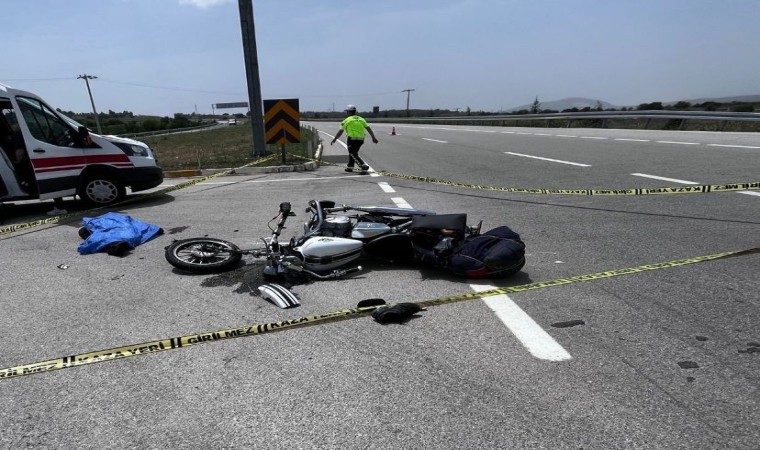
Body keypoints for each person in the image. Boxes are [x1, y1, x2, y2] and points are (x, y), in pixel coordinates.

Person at [330, 105, 378, 172]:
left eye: (347, 111)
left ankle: (362, 165)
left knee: (352, 153)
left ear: (349, 112)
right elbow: (368, 129)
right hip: (361, 139)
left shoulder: (347, 120)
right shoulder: (361, 119)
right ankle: (350, 167)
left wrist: (335, 139)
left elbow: (341, 131)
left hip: (352, 139)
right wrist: (373, 137)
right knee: (353, 153)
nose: (346, 113)